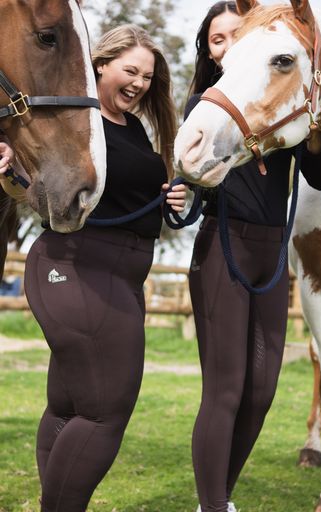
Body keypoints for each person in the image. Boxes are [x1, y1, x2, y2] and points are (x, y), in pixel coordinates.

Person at [0, 24, 186, 511]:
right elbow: (32, 183)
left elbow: (130, 192)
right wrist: (11, 167)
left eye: (147, 76)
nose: (139, 83)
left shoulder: (136, 128)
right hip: (76, 265)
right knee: (107, 410)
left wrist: (170, 198)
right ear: (99, 64)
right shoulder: (71, 122)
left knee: (69, 407)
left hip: (123, 274)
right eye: (130, 70)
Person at [184, 3, 321, 512]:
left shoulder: (268, 102)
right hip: (223, 246)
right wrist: (183, 199)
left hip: (269, 255)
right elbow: (190, 186)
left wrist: (316, 134)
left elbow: (315, 176)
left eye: (233, 36)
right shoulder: (208, 109)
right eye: (217, 38)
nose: (225, 45)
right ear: (207, 47)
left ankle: (220, 498)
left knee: (262, 392)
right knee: (225, 391)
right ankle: (212, 505)